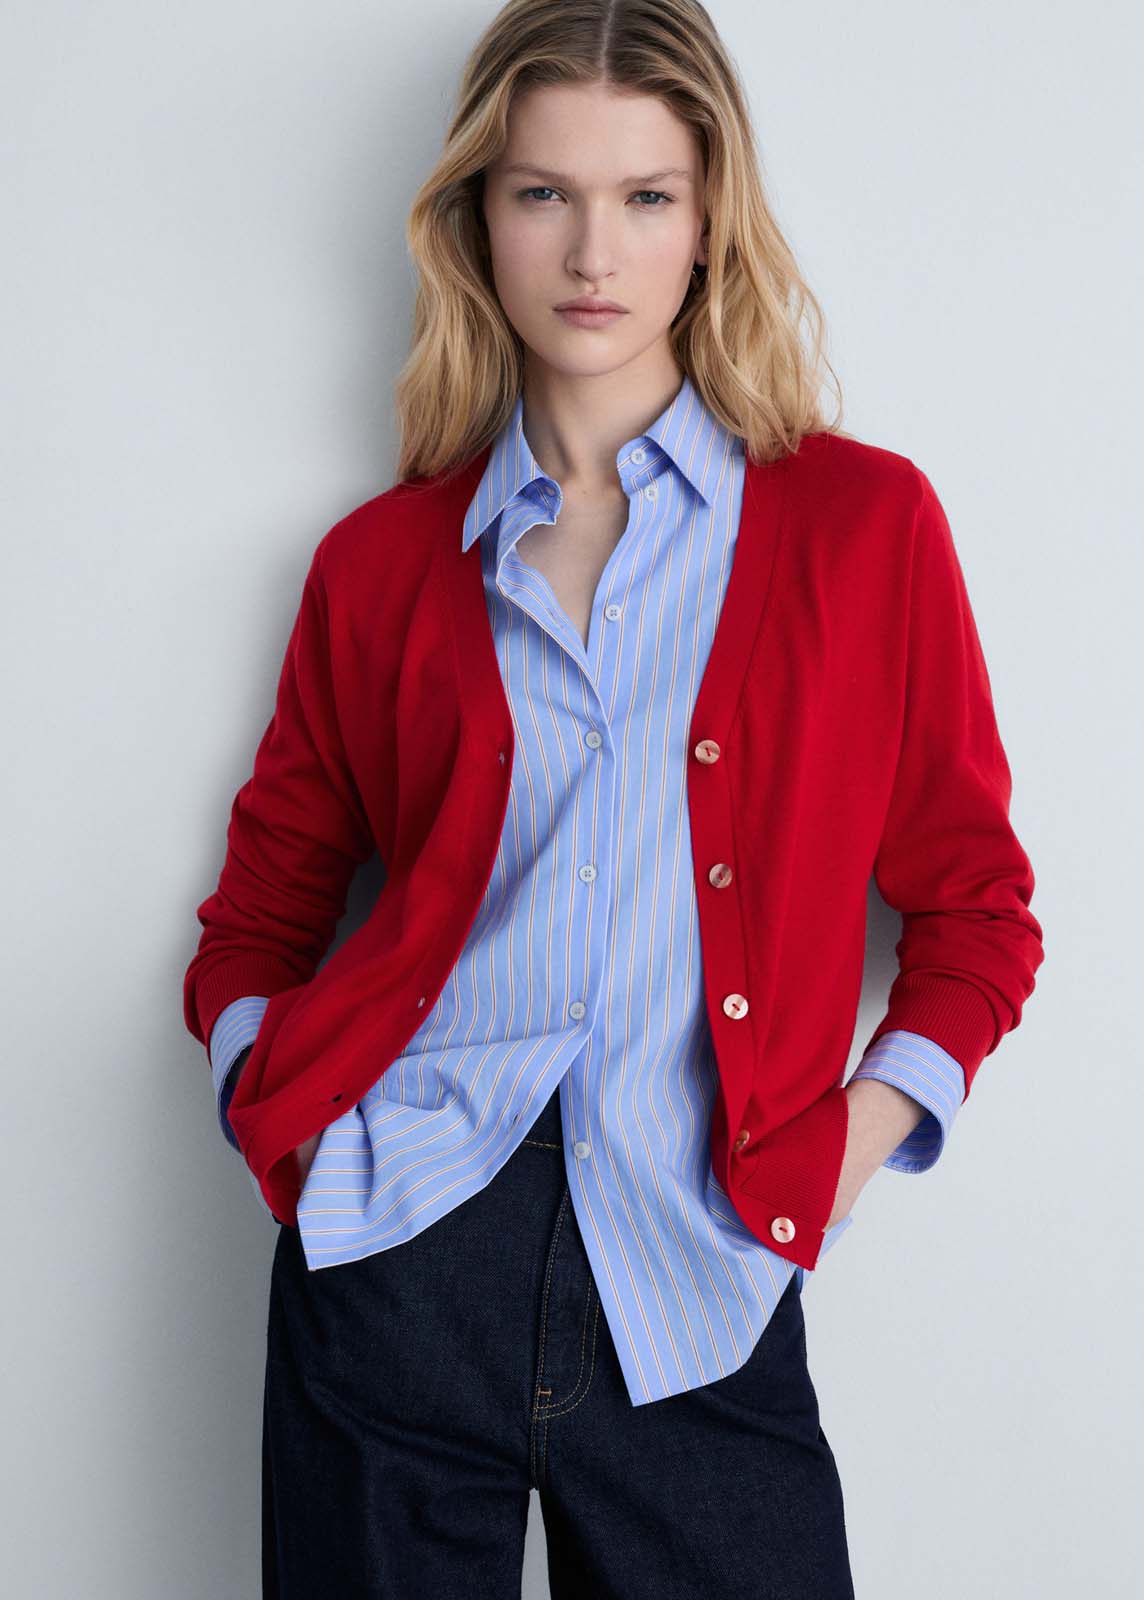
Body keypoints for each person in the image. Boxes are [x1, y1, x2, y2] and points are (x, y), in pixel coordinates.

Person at [183, 2, 1044, 1594]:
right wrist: (284, 1116)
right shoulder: (382, 565)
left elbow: (979, 909)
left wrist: (851, 1143)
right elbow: (261, 913)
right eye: (544, 194)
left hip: (698, 1262)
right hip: (398, 1254)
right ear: (478, 221)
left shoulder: (861, 528)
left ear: (710, 222)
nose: (594, 252)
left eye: (646, 196)